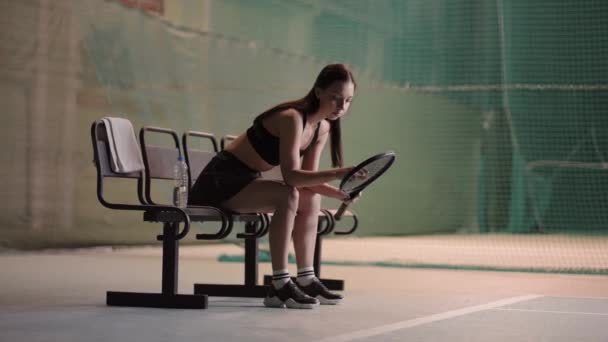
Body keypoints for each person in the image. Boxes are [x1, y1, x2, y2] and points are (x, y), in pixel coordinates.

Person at [189, 63, 363, 309]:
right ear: (318, 92)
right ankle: (279, 284)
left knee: (310, 198)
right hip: (219, 183)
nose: (341, 106)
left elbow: (309, 179)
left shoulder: (322, 127)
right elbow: (292, 176)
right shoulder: (291, 118)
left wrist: (341, 193)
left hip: (249, 182)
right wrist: (338, 173)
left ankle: (305, 278)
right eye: (335, 98)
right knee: (288, 195)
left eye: (348, 100)